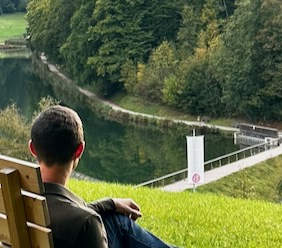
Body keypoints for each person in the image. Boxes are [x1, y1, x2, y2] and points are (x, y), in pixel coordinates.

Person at [29, 105, 177, 248]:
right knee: (120, 224)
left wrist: (109, 204)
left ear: (32, 148)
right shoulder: (86, 223)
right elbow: (75, 218)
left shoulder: (17, 197)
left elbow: (61, 210)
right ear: (79, 150)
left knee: (115, 221)